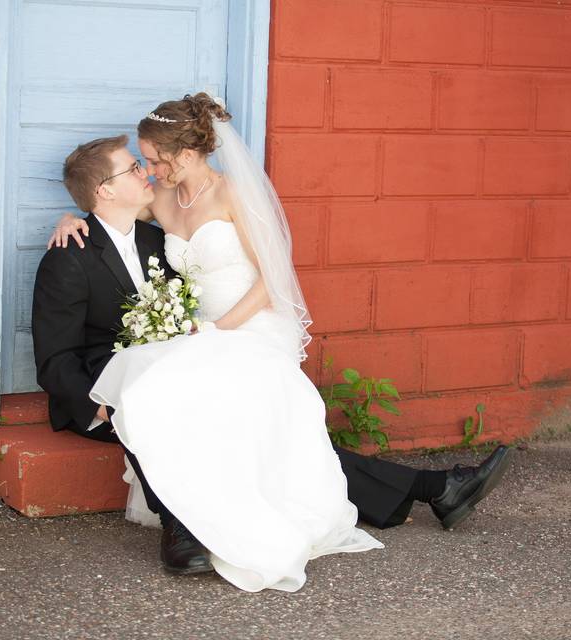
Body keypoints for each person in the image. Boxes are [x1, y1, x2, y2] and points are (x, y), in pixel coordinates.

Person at [34, 94, 512, 592]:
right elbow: (103, 223)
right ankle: (433, 488)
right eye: (139, 165)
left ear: (185, 154)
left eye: (150, 160)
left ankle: (431, 487)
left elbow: (272, 275)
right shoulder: (138, 216)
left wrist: (218, 332)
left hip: (242, 330)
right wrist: (73, 219)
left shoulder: (220, 198)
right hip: (186, 348)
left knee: (252, 418)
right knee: (237, 422)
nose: (148, 171)